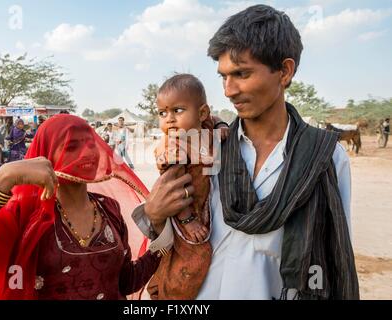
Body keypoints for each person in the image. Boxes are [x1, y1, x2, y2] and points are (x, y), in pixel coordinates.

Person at [133, 4, 358, 300]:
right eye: (223, 76)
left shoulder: (324, 157)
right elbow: (174, 232)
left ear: (285, 71)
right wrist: (154, 214)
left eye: (241, 73)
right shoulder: (207, 147)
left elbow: (334, 252)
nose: (229, 90)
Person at [0, 114, 160, 300]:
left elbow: (125, 281)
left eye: (90, 144)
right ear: (45, 154)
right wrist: (1, 180)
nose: (87, 154)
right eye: (72, 146)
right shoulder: (22, 214)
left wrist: (163, 241)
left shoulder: (108, 208)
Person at [148, 74, 214, 299]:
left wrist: (220, 128)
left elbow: (213, 124)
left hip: (200, 209)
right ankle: (172, 296)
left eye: (177, 110)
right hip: (183, 214)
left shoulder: (200, 134)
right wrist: (188, 220)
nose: (169, 119)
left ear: (202, 113)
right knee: (191, 261)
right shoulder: (174, 147)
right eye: (162, 113)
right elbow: (174, 191)